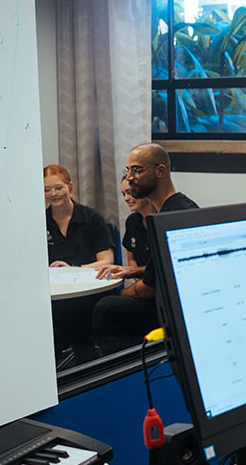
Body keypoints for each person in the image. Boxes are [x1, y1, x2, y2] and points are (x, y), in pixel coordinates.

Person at [93, 143, 198, 352]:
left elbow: (148, 289)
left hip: (178, 311)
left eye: (137, 170)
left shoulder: (170, 217)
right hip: (175, 303)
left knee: (104, 307)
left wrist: (118, 295)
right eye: (128, 170)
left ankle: (119, 373)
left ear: (160, 171)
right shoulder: (170, 210)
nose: (130, 177)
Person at [43, 164, 113, 270]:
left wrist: (73, 269)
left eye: (58, 188)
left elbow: (107, 261)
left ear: (70, 187)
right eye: (47, 190)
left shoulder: (93, 218)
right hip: (54, 283)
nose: (53, 194)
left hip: (90, 281)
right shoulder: (40, 222)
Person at [118, 173, 154, 275]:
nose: (125, 198)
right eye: (123, 194)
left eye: (130, 192)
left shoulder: (162, 220)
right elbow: (132, 259)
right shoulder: (132, 221)